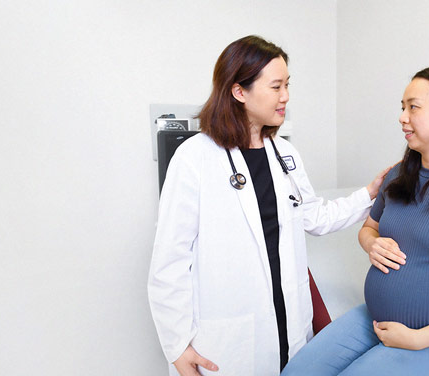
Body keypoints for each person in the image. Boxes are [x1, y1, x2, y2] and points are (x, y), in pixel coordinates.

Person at [147, 35, 390, 376]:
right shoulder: (195, 158)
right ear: (239, 92)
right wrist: (177, 346)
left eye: (287, 85)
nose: (286, 96)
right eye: (276, 86)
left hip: (289, 325)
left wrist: (369, 193)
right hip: (227, 339)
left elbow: (314, 217)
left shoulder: (284, 154)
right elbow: (169, 263)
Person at [281, 65, 429, 376]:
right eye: (402, 107)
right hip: (377, 319)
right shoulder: (398, 176)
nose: (402, 117)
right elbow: (369, 229)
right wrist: (371, 243)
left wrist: (418, 339)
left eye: (413, 107)